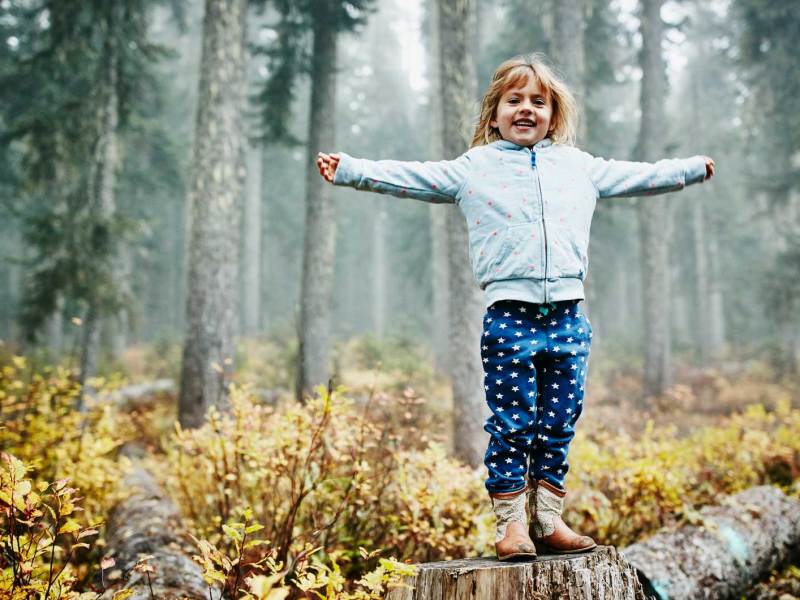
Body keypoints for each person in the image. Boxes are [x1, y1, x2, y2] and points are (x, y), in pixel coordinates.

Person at [316, 53, 715, 561]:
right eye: (514, 100)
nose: (526, 109)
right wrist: (350, 169)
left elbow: (640, 176)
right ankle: (510, 525)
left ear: (554, 114)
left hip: (569, 316)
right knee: (512, 422)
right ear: (494, 112)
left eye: (539, 102)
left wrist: (691, 169)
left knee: (559, 419)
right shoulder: (474, 168)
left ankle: (548, 519)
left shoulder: (578, 167)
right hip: (511, 317)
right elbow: (410, 177)